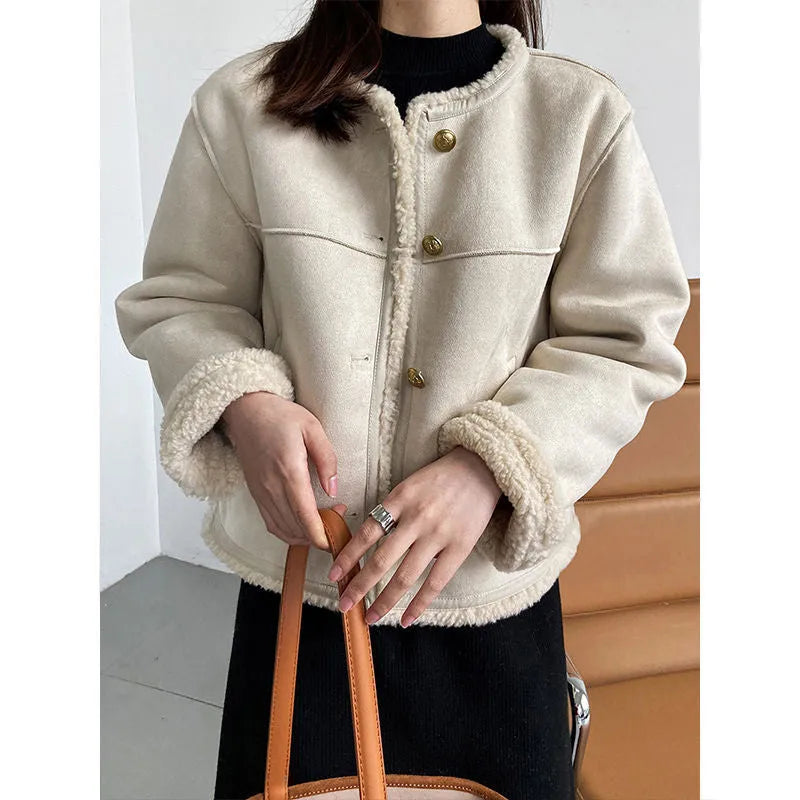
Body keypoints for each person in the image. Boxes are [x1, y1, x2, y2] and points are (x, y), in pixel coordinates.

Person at [114, 2, 690, 798]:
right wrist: (245, 404)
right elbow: (183, 300)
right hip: (304, 597)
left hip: (489, 608)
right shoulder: (245, 105)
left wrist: (491, 466)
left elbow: (624, 341)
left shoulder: (578, 116)